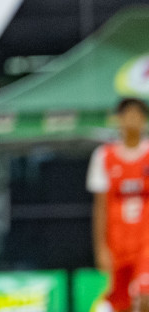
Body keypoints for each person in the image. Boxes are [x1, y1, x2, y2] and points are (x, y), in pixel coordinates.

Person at [91, 97, 149, 311]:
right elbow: (100, 208)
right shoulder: (104, 156)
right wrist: (100, 248)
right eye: (128, 115)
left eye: (137, 115)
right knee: (120, 303)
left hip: (146, 242)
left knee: (145, 297)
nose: (132, 120)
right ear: (119, 120)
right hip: (118, 243)